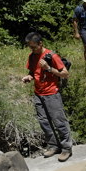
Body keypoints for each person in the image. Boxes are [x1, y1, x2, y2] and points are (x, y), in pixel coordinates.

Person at [22, 32, 72, 161]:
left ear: (40, 43)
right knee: (44, 122)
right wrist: (29, 77)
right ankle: (53, 146)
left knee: (59, 121)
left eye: (33, 47)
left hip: (52, 93)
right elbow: (33, 72)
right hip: (38, 94)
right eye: (30, 47)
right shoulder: (32, 56)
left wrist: (48, 68)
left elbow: (65, 74)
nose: (32, 50)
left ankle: (66, 148)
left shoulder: (52, 56)